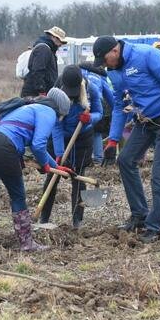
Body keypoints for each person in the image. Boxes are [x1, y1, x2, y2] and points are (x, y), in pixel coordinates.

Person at [93, 35, 160, 244]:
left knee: (159, 175)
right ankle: (139, 215)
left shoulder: (146, 55)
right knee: (125, 160)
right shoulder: (113, 70)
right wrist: (113, 140)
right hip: (144, 120)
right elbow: (119, 104)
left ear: (115, 50)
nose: (105, 65)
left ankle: (154, 227)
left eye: (105, 60)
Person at [0, 88, 71, 252]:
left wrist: (55, 167)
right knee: (18, 196)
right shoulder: (49, 112)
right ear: (61, 110)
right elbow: (38, 144)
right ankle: (27, 244)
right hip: (4, 146)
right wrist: (45, 165)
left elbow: (36, 146)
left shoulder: (29, 106)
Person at [38, 66, 103, 228]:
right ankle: (44, 218)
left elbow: (99, 112)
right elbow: (56, 125)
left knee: (78, 178)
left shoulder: (91, 90)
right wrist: (59, 153)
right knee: (53, 176)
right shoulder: (56, 93)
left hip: (82, 138)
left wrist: (90, 118)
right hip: (59, 138)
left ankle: (77, 221)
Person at [80, 61, 114, 166]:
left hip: (81, 102)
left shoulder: (80, 72)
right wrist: (116, 109)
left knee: (82, 131)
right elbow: (109, 95)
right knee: (97, 132)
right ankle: (98, 159)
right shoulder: (100, 76)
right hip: (97, 104)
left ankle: (84, 159)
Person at [20, 26, 67, 97]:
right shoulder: (43, 49)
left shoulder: (49, 50)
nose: (61, 44)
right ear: (54, 37)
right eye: (61, 41)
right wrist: (41, 91)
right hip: (34, 94)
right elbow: (38, 71)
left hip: (37, 93)